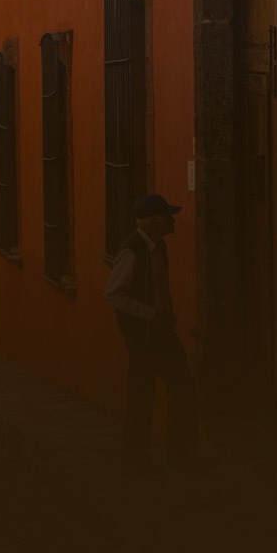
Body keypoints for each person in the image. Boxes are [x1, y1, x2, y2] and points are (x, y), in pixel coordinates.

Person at [104, 193, 197, 470]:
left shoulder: (158, 247)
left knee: (181, 390)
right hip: (144, 338)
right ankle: (136, 459)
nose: (173, 221)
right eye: (168, 217)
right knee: (143, 398)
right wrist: (151, 314)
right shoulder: (133, 250)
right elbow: (113, 293)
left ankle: (179, 456)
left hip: (161, 332)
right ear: (154, 222)